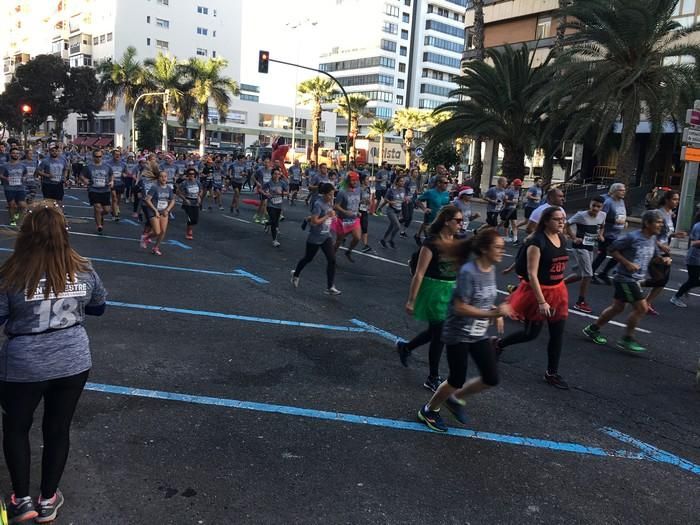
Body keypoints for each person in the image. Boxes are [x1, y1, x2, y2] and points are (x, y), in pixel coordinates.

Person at [0, 201, 106, 524]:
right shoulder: (84, 268)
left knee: (16, 428)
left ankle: (22, 499)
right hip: (72, 360)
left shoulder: (11, 275)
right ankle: (48, 498)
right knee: (58, 428)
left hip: (24, 365)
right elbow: (99, 306)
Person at [417, 228, 510, 432]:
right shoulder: (469, 272)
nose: (502, 251)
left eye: (503, 247)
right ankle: (429, 410)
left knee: (491, 378)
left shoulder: (490, 269)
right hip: (458, 333)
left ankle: (455, 399)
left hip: (477, 333)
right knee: (456, 378)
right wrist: (492, 315)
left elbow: (483, 297)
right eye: (498, 247)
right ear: (485, 249)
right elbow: (460, 307)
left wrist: (496, 311)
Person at [496, 206, 570, 389]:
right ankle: (498, 344)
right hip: (539, 292)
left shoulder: (561, 237)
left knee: (557, 334)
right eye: (557, 219)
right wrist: (541, 301)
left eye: (563, 219)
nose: (561, 222)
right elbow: (532, 274)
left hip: (558, 291)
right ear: (546, 221)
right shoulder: (537, 242)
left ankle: (551, 372)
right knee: (530, 334)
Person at [397, 205, 461, 392]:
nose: (461, 223)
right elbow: (419, 273)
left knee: (435, 331)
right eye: (457, 220)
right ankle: (432, 377)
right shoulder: (431, 243)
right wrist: (411, 300)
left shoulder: (456, 240)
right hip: (433, 289)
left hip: (450, 289)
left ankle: (406, 348)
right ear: (446, 221)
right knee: (439, 334)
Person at [583, 210, 664, 354]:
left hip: (636, 279)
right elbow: (612, 249)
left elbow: (655, 257)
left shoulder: (652, 239)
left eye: (661, 223)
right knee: (642, 308)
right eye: (658, 222)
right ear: (647, 223)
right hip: (625, 278)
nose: (660, 225)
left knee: (617, 308)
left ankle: (592, 329)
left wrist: (663, 260)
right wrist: (627, 263)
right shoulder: (632, 237)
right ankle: (627, 338)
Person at [291, 183, 341, 295]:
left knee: (332, 260)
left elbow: (329, 215)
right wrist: (328, 216)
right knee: (308, 258)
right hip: (315, 237)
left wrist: (334, 217)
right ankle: (296, 274)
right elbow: (315, 221)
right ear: (323, 194)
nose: (331, 197)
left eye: (333, 195)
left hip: (326, 236)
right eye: (329, 195)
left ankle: (330, 287)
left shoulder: (330, 202)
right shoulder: (318, 204)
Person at [564, 195, 606, 313]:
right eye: (593, 205)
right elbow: (567, 224)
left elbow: (602, 226)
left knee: (579, 274)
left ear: (602, 207)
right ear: (590, 204)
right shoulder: (581, 215)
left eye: (598, 206)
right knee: (588, 274)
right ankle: (580, 302)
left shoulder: (603, 215)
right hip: (579, 246)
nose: (595, 209)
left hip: (590, 246)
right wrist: (573, 238)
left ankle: (558, 285)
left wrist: (600, 234)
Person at [644, 190, 684, 314]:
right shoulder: (657, 213)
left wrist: (675, 234)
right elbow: (648, 232)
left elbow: (665, 233)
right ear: (667, 200)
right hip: (654, 250)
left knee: (663, 281)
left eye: (677, 199)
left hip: (665, 251)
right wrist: (660, 245)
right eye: (674, 199)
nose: (676, 202)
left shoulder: (670, 213)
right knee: (659, 279)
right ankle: (633, 284)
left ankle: (647, 303)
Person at [592, 183, 627, 284]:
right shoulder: (608, 202)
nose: (623, 192)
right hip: (606, 234)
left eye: (624, 190)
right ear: (614, 191)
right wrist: (614, 221)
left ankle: (603, 273)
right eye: (621, 190)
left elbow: (621, 214)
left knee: (616, 254)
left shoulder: (621, 202)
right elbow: (601, 217)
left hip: (616, 233)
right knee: (605, 254)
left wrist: (625, 221)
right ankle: (592, 274)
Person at [80, 149, 114, 234]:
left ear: (102, 156)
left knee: (107, 210)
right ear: (93, 157)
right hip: (93, 190)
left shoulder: (107, 166)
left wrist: (112, 181)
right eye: (96, 156)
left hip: (105, 190)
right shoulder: (88, 167)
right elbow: (81, 175)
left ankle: (100, 215)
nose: (98, 158)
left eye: (100, 156)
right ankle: (99, 226)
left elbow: (111, 174)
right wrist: (85, 180)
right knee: (97, 207)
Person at [671, 210, 700, 307]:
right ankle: (676, 297)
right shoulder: (698, 226)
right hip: (695, 258)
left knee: (693, 280)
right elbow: (694, 243)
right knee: (693, 280)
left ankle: (686, 287)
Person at [143, 171, 176, 256]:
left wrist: (167, 210)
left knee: (163, 231)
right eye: (161, 176)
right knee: (157, 232)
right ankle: (146, 237)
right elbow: (147, 200)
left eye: (165, 176)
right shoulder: (154, 187)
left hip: (164, 211)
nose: (163, 178)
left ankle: (156, 247)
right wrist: (155, 210)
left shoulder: (168, 188)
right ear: (158, 178)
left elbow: (172, 200)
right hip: (153, 211)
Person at [333, 171, 362, 261]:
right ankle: (332, 257)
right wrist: (345, 211)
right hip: (343, 220)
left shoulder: (358, 190)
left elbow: (356, 202)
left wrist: (359, 209)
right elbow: (336, 206)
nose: (355, 182)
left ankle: (348, 251)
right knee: (339, 241)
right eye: (353, 180)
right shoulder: (342, 192)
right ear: (348, 180)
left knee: (357, 238)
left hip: (354, 219)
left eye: (356, 180)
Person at [414, 175, 451, 246]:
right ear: (438, 183)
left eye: (448, 183)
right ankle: (420, 255)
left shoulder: (446, 193)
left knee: (437, 243)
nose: (447, 185)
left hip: (441, 222)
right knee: (431, 243)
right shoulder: (430, 193)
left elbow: (447, 205)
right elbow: (417, 201)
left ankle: (419, 239)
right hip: (430, 222)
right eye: (445, 183)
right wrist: (424, 209)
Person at [0, 147, 28, 226]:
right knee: (12, 205)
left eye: (17, 153)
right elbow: (0, 175)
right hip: (9, 188)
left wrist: (24, 177)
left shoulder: (22, 165)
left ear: (19, 155)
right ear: (10, 154)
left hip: (20, 188)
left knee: (22, 205)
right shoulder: (5, 165)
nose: (15, 155)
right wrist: (6, 178)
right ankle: (12, 220)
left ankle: (17, 215)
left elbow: (25, 173)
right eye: (14, 153)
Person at [262, 167, 288, 247]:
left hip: (279, 205)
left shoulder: (282, 183)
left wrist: (281, 193)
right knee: (275, 222)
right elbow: (260, 189)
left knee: (275, 221)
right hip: (270, 205)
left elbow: (287, 192)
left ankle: (267, 223)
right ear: (272, 175)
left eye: (278, 174)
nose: (277, 175)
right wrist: (266, 194)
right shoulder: (268, 183)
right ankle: (275, 240)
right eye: (275, 174)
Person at [379, 176, 406, 249]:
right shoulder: (391, 190)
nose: (402, 182)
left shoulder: (403, 190)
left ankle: (383, 240)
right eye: (401, 181)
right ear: (397, 182)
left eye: (403, 181)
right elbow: (385, 198)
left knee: (391, 227)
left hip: (398, 210)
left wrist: (405, 201)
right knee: (397, 226)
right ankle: (391, 240)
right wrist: (390, 202)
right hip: (391, 210)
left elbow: (402, 200)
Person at [176, 167, 202, 240]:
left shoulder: (197, 182)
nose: (192, 175)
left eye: (193, 174)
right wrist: (184, 199)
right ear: (187, 175)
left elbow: (201, 190)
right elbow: (178, 192)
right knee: (190, 218)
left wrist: (199, 197)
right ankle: (189, 232)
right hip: (188, 202)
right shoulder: (184, 183)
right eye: (190, 174)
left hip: (195, 202)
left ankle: (189, 229)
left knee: (195, 219)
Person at [501, 178, 522, 243]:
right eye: (518, 185)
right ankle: (496, 233)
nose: (520, 186)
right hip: (507, 209)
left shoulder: (518, 191)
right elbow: (505, 200)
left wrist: (518, 202)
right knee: (503, 223)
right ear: (515, 185)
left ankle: (515, 239)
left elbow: (517, 199)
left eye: (520, 185)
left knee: (514, 224)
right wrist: (513, 202)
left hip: (513, 209)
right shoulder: (509, 191)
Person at [109, 149, 127, 221]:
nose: (117, 156)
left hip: (120, 183)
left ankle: (115, 209)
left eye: (119, 155)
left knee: (118, 199)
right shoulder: (108, 163)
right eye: (116, 154)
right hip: (112, 183)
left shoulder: (123, 164)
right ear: (113, 155)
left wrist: (124, 174)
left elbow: (125, 172)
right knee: (114, 198)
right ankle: (115, 214)